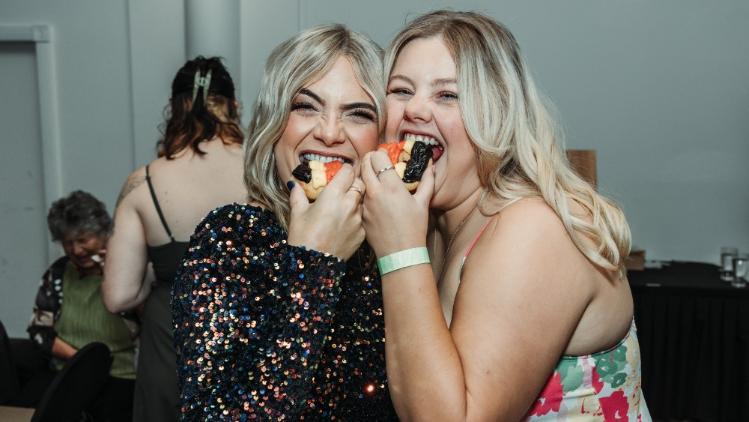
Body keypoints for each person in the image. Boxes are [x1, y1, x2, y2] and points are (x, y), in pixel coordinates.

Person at [360, 10, 651, 420]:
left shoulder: (533, 229)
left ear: (496, 114)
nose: (415, 110)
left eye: (447, 95)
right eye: (401, 90)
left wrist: (399, 251)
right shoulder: (425, 222)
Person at [172, 24, 397, 420]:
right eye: (305, 106)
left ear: (382, 137)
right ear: (275, 124)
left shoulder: (396, 244)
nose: (328, 132)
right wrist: (316, 263)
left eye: (358, 113)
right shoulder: (231, 238)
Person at [102, 56, 246, 421]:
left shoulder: (143, 183)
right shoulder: (266, 169)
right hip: (251, 346)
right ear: (234, 106)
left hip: (171, 347)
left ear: (173, 109)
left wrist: (161, 273)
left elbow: (118, 296)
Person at [21, 190, 137, 421]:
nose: (76, 250)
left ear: (104, 233)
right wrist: (82, 363)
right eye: (68, 242)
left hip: (119, 375)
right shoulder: (58, 273)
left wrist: (111, 270)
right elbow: (40, 332)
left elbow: (142, 322)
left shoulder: (128, 271)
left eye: (83, 239)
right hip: (67, 373)